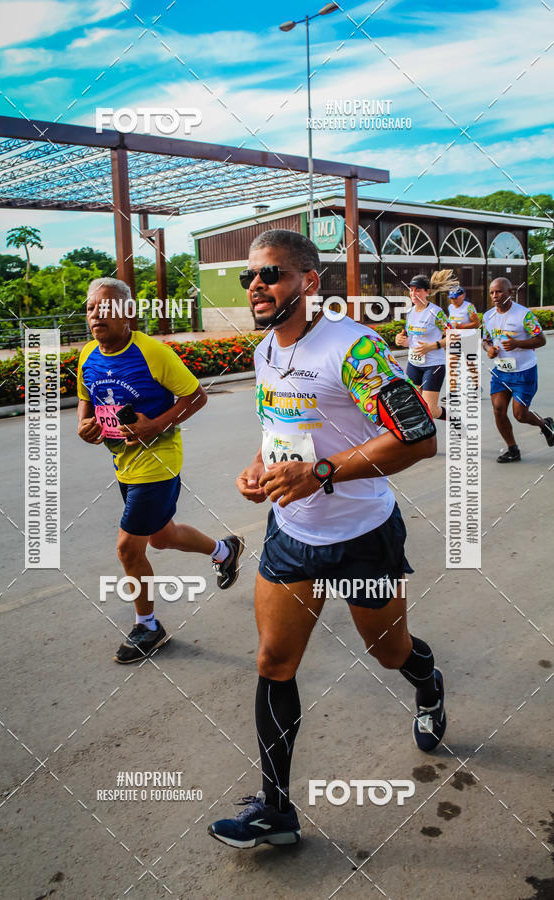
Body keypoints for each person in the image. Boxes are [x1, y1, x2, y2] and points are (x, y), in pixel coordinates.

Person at [207, 230, 442, 849]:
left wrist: (321, 473)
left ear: (309, 281)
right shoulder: (266, 349)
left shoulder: (353, 347)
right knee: (273, 662)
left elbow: (419, 438)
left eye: (272, 274)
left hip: (363, 535)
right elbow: (278, 425)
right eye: (250, 277)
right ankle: (276, 811)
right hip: (292, 534)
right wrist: (259, 467)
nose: (256, 286)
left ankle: (428, 685)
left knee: (389, 652)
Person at [77, 277, 244, 663]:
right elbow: (86, 398)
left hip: (158, 463)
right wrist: (84, 425)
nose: (96, 315)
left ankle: (148, 626)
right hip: (123, 463)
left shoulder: (152, 353)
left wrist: (156, 425)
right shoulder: (88, 355)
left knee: (127, 548)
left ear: (128, 313)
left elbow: (196, 397)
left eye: (106, 308)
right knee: (162, 537)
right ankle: (224, 550)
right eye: (90, 308)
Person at [482, 277, 554, 462]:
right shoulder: (488, 316)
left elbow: (541, 340)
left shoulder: (523, 315)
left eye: (499, 291)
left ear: (510, 292)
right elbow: (486, 340)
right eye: (492, 292)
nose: (495, 296)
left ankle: (545, 424)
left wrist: (517, 344)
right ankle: (512, 449)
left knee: (520, 415)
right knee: (498, 410)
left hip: (524, 371)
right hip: (501, 371)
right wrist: (489, 349)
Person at [394, 271, 458, 419]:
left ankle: (456, 419)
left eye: (418, 290)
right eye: (411, 290)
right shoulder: (410, 312)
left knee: (431, 410)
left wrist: (432, 346)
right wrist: (400, 340)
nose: (413, 293)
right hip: (413, 364)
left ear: (427, 292)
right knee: (413, 406)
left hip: (433, 365)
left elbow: (454, 336)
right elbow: (410, 338)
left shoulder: (436, 312)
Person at [447, 286, 480, 391]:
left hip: (469, 338)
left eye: (455, 297)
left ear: (463, 296)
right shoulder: (450, 307)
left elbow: (476, 323)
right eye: (451, 298)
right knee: (452, 364)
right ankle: (453, 391)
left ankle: (476, 386)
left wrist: (461, 326)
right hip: (455, 338)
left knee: (470, 364)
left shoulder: (469, 307)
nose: (453, 300)